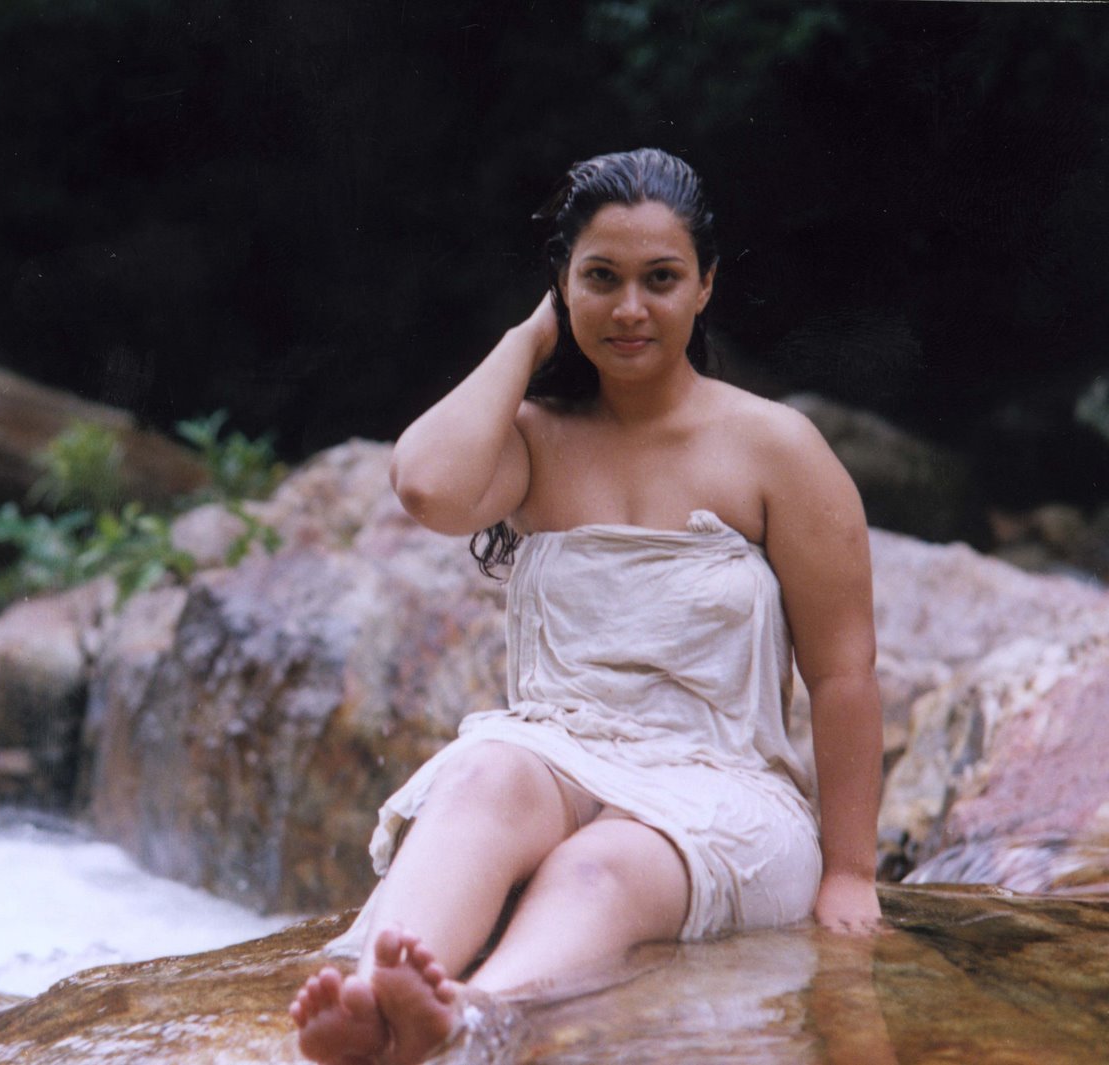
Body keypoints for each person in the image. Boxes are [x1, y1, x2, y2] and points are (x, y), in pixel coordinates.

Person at [288, 148, 883, 1065]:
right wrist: (530, 341)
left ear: (706, 286)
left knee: (599, 865)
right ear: (562, 287)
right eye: (600, 278)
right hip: (556, 747)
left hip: (723, 786)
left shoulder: (777, 448)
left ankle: (476, 1016)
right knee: (483, 770)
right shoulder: (533, 438)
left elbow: (842, 672)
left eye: (661, 279)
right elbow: (427, 489)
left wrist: (849, 872)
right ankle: (377, 997)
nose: (631, 308)